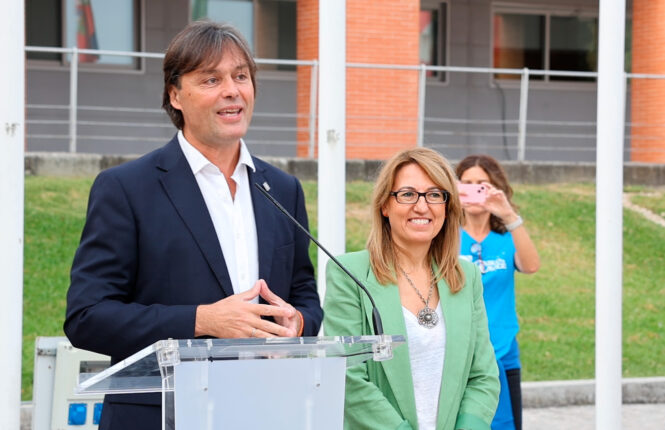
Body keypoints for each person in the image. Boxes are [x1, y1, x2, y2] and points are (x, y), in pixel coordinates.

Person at [64, 21, 322, 430]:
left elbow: (304, 293)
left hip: (267, 411)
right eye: (211, 79)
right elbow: (88, 317)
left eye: (241, 76)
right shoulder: (126, 188)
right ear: (175, 95)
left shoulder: (282, 189)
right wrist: (201, 320)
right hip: (160, 415)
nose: (232, 90)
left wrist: (299, 322)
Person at [324, 147, 499, 430]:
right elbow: (347, 375)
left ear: (447, 205)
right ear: (385, 205)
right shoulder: (349, 274)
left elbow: (483, 375)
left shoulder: (466, 276)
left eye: (434, 194)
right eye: (407, 194)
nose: (422, 206)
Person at [456, 155, 540, 430]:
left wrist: (508, 214)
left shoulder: (507, 238)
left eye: (482, 183)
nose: (474, 189)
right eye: (466, 183)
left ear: (496, 187)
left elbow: (531, 266)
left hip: (503, 353)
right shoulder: (446, 238)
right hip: (458, 356)